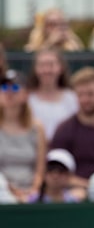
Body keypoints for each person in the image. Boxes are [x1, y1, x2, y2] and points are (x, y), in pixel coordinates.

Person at [50, 67, 94, 190]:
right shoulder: (64, 130)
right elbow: (55, 172)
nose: (85, 100)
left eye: (90, 94)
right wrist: (87, 186)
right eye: (80, 95)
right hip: (73, 195)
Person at [0, 70, 47, 203]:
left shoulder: (37, 127)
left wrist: (33, 190)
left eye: (14, 88)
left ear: (26, 94)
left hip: (31, 193)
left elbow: (40, 170)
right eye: (3, 87)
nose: (8, 93)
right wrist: (12, 191)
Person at [26, 49, 78, 141]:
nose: (46, 70)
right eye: (42, 65)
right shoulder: (26, 99)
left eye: (51, 65)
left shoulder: (73, 98)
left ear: (61, 68)